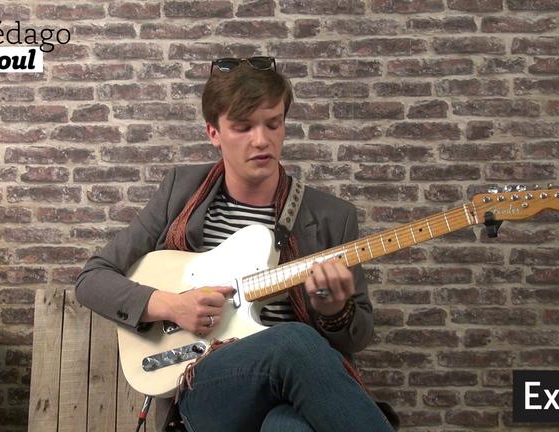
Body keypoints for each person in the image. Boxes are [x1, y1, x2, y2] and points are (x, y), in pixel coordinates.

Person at [75, 56, 396, 432]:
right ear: (214, 132)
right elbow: (92, 280)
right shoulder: (180, 192)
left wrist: (335, 309)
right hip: (207, 385)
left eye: (273, 124)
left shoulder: (331, 216)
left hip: (297, 392)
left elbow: (357, 337)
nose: (261, 140)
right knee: (292, 341)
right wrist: (174, 306)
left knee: (287, 427)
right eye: (243, 127)